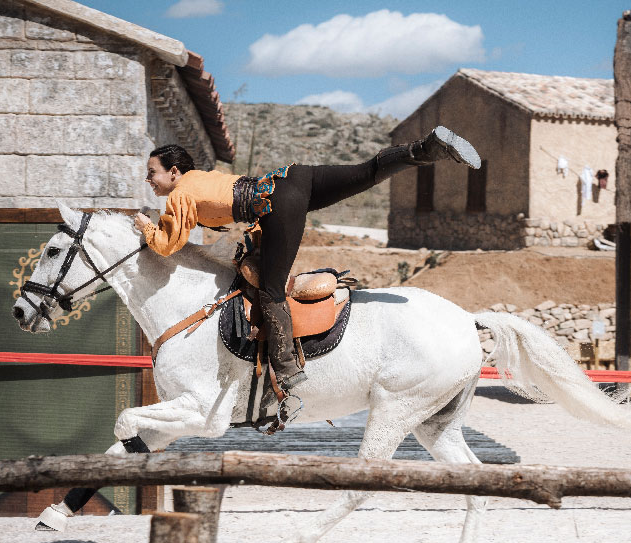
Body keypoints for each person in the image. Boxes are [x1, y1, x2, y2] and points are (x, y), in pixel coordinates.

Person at [133, 127, 480, 415]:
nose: (150, 180)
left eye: (153, 173)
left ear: (173, 172)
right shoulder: (201, 178)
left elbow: (167, 245)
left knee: (271, 290)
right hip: (294, 178)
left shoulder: (180, 194)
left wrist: (145, 227)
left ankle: (285, 370)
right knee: (367, 171)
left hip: (278, 205)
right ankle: (428, 147)